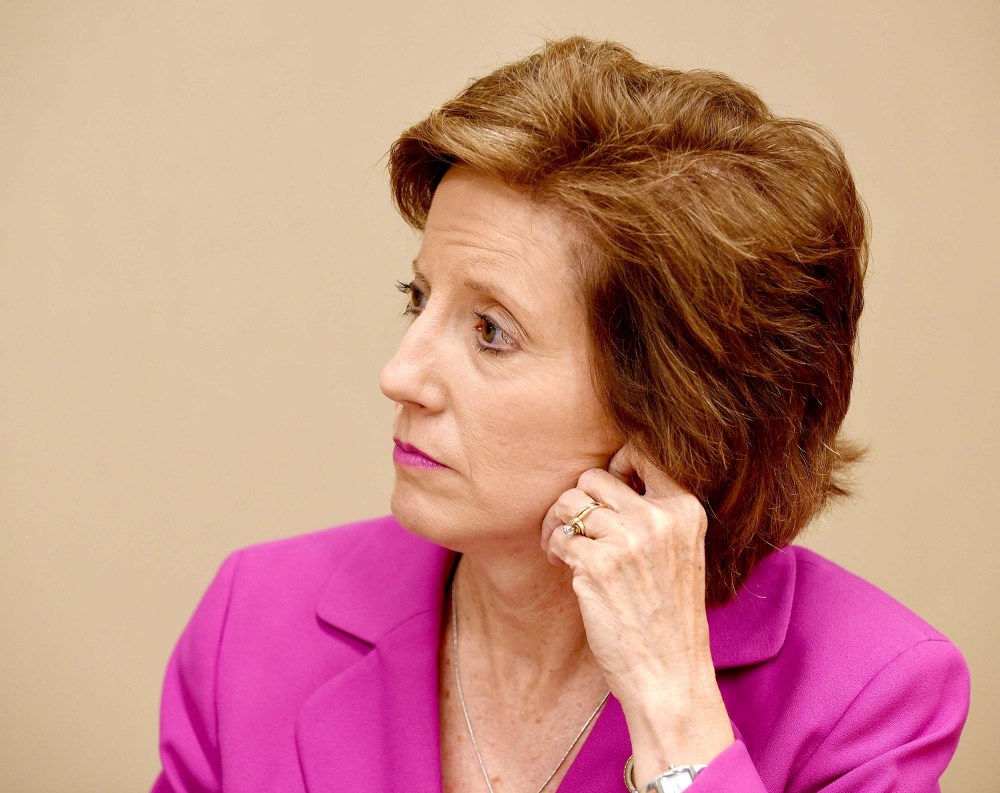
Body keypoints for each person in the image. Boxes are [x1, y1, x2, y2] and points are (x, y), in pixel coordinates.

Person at [151, 37, 969, 793]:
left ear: (674, 406)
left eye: (492, 332)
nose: (399, 374)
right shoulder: (252, 622)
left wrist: (672, 710)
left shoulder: (871, 692)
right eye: (419, 297)